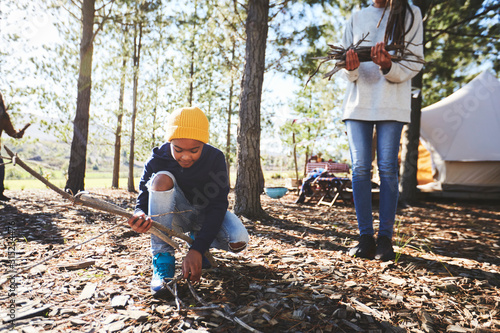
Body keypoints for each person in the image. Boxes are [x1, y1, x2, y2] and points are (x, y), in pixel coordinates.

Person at [128, 106, 249, 296]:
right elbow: (143, 198)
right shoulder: (158, 158)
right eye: (178, 149)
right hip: (171, 217)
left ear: (203, 143)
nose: (185, 156)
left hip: (204, 215)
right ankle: (163, 259)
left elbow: (218, 205)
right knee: (161, 179)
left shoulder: (215, 158)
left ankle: (199, 242)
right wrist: (139, 214)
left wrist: (198, 249)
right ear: (170, 142)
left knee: (238, 241)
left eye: (194, 150)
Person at [340, 0, 423, 261]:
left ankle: (385, 239)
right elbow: (344, 65)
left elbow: (415, 62)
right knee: (361, 169)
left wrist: (388, 67)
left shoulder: (409, 13)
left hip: (391, 104)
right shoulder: (357, 16)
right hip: (357, 105)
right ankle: (365, 237)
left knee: (387, 167)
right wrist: (350, 68)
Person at [0, 92, 28, 202]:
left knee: (0, 169)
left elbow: (12, 133)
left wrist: (18, 134)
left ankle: (0, 193)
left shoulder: (3, 116)